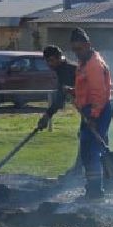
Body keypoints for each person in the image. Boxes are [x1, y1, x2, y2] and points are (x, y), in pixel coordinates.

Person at [69, 28, 113, 199]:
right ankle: (105, 184)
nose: (77, 53)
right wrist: (74, 93)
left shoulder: (94, 65)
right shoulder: (85, 62)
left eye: (79, 49)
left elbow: (99, 93)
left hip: (98, 110)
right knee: (88, 150)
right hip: (90, 109)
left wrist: (94, 116)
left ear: (88, 45)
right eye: (74, 50)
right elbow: (87, 88)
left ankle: (96, 191)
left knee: (92, 151)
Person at [35, 44, 80, 180]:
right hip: (87, 108)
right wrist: (47, 115)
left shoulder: (67, 70)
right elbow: (61, 96)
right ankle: (79, 171)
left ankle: (83, 172)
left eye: (51, 60)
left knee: (89, 140)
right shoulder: (64, 69)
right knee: (87, 139)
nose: (49, 64)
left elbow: (60, 98)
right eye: (47, 61)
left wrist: (47, 115)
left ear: (59, 57)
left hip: (93, 108)